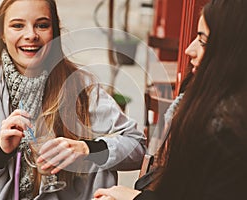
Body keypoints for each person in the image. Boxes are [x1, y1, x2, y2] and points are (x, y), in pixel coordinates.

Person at [0, 0, 146, 199]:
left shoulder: (80, 87)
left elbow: (137, 147)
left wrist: (87, 149)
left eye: (42, 25)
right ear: (2, 33)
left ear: (55, 32)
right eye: (17, 25)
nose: (31, 35)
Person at [94, 0, 247, 199]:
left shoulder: (230, 136)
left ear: (233, 52)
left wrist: (134, 197)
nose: (189, 50)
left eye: (203, 42)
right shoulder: (215, 113)